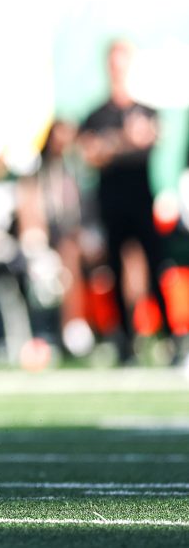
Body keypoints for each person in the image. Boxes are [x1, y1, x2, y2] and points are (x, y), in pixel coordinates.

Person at [78, 39, 171, 364]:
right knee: (114, 271)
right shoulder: (97, 115)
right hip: (111, 203)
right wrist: (124, 140)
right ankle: (125, 341)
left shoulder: (145, 110)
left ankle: (172, 338)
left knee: (156, 267)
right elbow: (90, 154)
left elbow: (151, 139)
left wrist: (112, 145)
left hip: (141, 200)